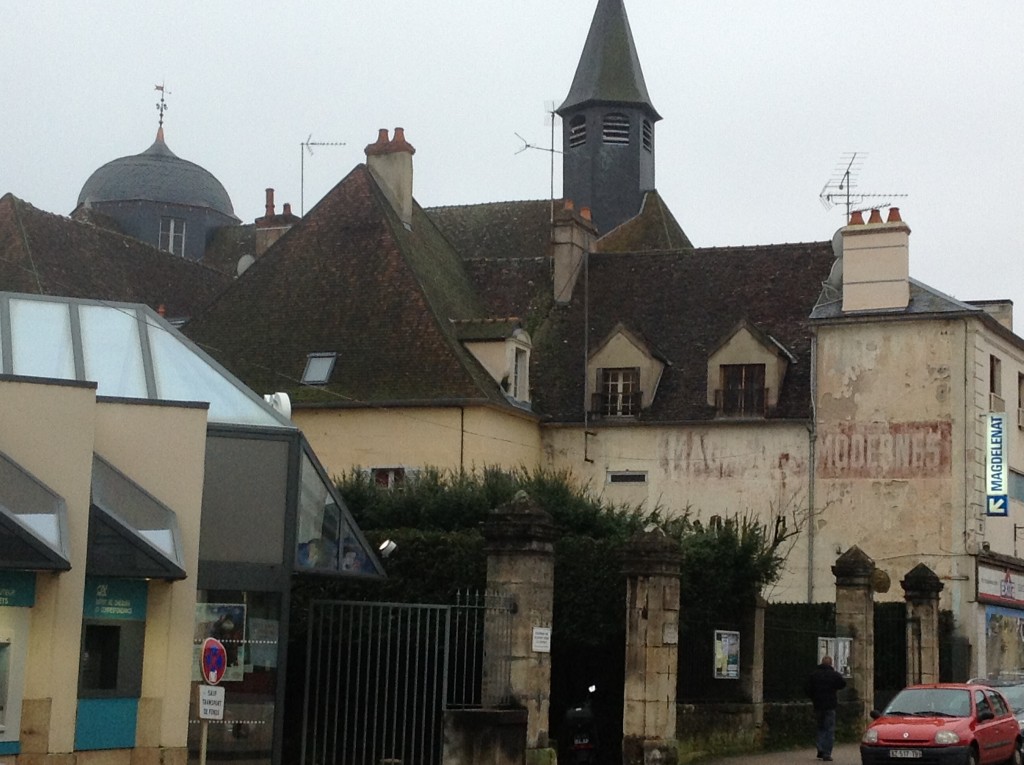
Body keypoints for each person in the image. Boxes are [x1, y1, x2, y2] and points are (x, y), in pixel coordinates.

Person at [805, 655, 846, 761]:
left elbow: (808, 689)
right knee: (829, 729)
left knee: (820, 727)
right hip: (830, 705)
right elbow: (842, 684)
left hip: (818, 705)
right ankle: (827, 752)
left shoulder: (814, 675)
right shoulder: (834, 675)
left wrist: (814, 698)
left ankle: (820, 748)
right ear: (831, 663)